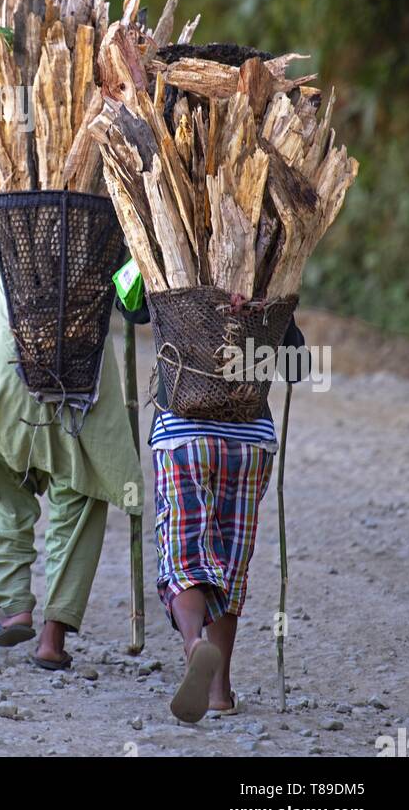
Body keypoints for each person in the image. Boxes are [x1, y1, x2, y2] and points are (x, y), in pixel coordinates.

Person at [131, 294, 308, 723]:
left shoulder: (171, 274)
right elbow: (298, 368)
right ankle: (220, 692)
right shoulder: (264, 281)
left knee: (184, 558)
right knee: (230, 568)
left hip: (184, 434)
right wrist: (267, 312)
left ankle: (194, 644)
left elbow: (130, 303)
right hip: (250, 445)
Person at [0, 242, 143, 671]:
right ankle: (52, 637)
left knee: (4, 490)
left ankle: (15, 607)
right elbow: (132, 299)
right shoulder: (115, 212)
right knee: (81, 496)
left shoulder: (0, 195)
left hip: (10, 370)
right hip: (84, 379)